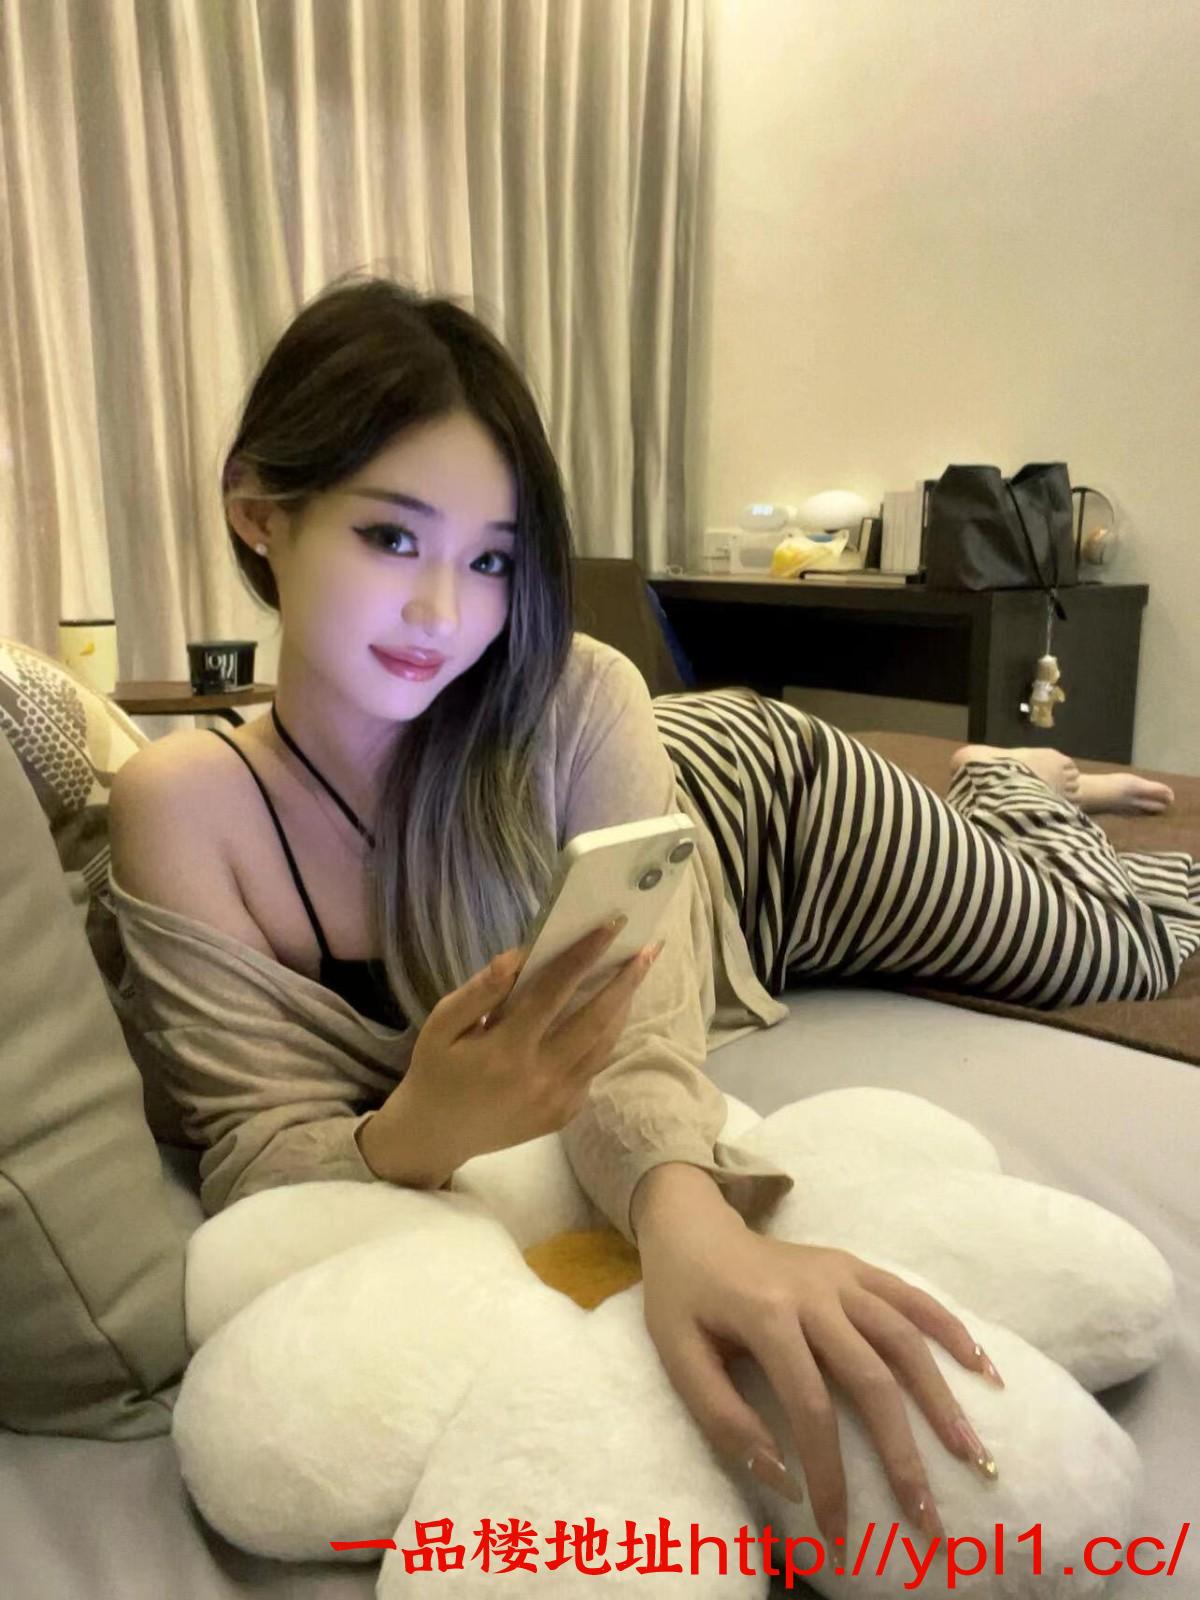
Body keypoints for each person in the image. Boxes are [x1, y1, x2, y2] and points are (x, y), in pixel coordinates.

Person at [108, 272, 1200, 1554]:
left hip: (767, 818)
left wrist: (686, 1218)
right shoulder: (184, 807)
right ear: (258, 511)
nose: (444, 614)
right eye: (392, 538)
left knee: (1115, 940)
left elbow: (638, 1023)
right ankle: (1002, 782)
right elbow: (252, 1148)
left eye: (492, 559)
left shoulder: (573, 693)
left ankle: (1020, 785)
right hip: (674, 796)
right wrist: (416, 1131)